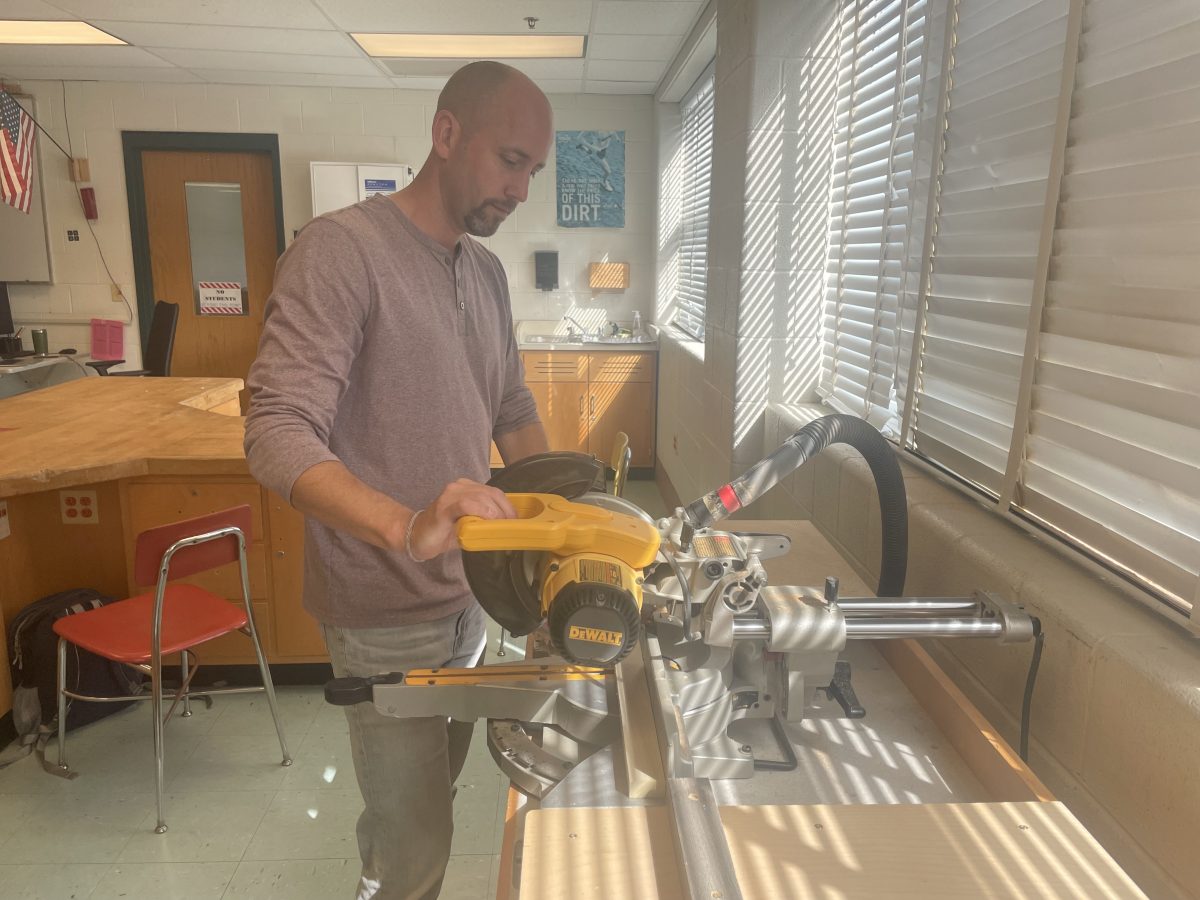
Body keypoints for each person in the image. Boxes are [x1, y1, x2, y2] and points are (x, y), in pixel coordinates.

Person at [243, 61, 553, 900]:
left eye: (535, 170)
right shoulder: (342, 251)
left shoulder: (484, 273)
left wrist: (564, 521)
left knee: (422, 802)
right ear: (446, 135)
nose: (522, 189)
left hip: (468, 597)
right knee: (423, 844)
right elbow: (276, 430)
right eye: (510, 160)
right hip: (383, 608)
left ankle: (376, 873)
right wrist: (404, 524)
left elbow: (512, 405)